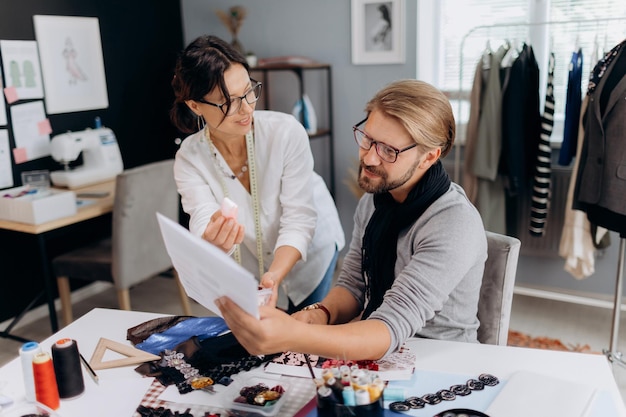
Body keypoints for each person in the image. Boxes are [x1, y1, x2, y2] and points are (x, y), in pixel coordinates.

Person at [217, 79, 488, 360]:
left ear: (428, 157)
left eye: (389, 150)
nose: (369, 158)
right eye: (368, 139)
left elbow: (390, 326)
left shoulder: (453, 224)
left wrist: (293, 335)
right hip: (383, 351)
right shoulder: (374, 201)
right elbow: (354, 285)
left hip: (443, 362)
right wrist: (321, 313)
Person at [171, 35, 345, 313]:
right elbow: (204, 220)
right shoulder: (190, 159)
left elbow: (299, 218)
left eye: (249, 91)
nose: (247, 108)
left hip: (309, 252)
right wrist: (212, 242)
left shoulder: (286, 133)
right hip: (252, 263)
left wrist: (274, 276)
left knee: (306, 333)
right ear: (195, 105)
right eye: (228, 102)